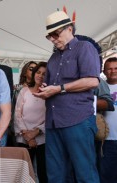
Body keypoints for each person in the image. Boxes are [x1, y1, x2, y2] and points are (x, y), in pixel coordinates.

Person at [34, 11, 100, 182]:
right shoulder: (53, 58)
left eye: (56, 34)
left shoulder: (85, 47)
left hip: (77, 120)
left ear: (69, 29)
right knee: (55, 175)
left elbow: (92, 81)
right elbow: (51, 87)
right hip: (53, 122)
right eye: (49, 36)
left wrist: (58, 89)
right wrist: (44, 89)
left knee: (85, 173)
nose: (53, 39)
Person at [14, 62, 48, 183]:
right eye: (38, 72)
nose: (40, 75)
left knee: (43, 173)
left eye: (44, 74)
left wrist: (36, 132)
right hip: (24, 138)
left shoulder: (50, 93)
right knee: (24, 173)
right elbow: (18, 115)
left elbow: (51, 117)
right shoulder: (24, 91)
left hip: (42, 138)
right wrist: (27, 136)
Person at [99, 57, 117, 183]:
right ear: (104, 71)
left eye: (116, 68)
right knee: (107, 176)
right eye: (109, 69)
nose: (113, 71)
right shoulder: (99, 87)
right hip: (107, 141)